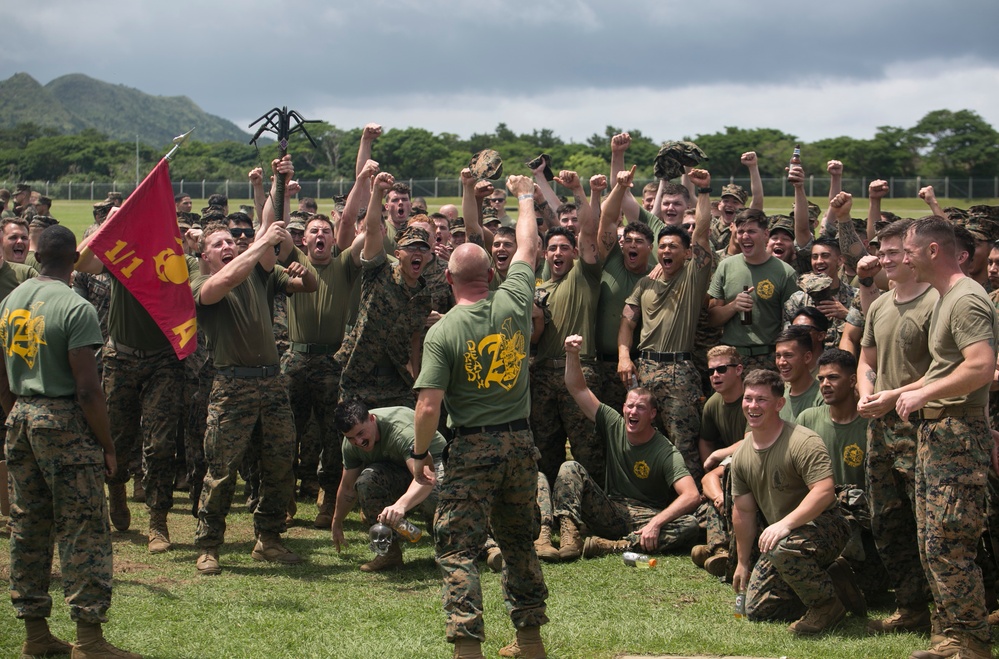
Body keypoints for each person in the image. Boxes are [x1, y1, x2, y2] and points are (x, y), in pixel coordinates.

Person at [410, 174, 548, 659]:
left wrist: (420, 453)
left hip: (472, 449)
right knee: (517, 542)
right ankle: (530, 641)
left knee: (457, 548)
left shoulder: (442, 331)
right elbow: (528, 245)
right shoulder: (515, 300)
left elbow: (428, 406)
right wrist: (526, 196)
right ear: (491, 274)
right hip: (520, 445)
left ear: (448, 279)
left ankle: (468, 649)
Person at [0, 225, 140, 658]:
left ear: (37, 254)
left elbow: (2, 378)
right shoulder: (76, 307)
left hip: (21, 417)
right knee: (84, 529)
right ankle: (89, 640)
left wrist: (13, 417)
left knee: (29, 525)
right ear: (76, 257)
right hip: (63, 422)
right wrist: (109, 445)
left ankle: (35, 635)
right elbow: (87, 389)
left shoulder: (9, 302)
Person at [894, 216, 998, 659]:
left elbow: (979, 366)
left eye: (910, 250)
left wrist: (924, 395)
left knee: (950, 543)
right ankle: (950, 635)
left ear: (932, 250)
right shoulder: (946, 297)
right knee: (931, 542)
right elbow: (942, 370)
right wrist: (896, 393)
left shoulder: (967, 300)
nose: (905, 259)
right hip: (938, 433)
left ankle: (973, 642)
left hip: (958, 434)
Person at [190, 218, 317, 576]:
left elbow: (308, 285)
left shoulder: (261, 274)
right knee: (222, 469)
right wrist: (261, 244)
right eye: (218, 244)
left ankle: (269, 538)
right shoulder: (201, 282)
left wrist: (296, 265)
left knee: (279, 463)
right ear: (204, 256)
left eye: (231, 241)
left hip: (272, 382)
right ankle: (209, 544)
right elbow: (225, 281)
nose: (228, 246)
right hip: (233, 387)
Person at [75, 202, 200, 553]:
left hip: (164, 361)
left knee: (160, 443)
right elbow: (82, 263)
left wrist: (193, 247)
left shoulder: (181, 262)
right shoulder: (123, 257)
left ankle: (157, 520)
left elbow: (206, 275)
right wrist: (110, 225)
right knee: (115, 436)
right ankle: (116, 488)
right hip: (122, 358)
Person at [730, 369, 860, 635]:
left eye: (762, 400)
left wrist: (784, 525)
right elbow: (743, 511)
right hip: (784, 539)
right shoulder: (742, 455)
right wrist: (743, 563)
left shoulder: (803, 441)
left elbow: (824, 492)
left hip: (827, 525)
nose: (753, 406)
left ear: (779, 404)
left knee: (782, 547)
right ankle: (834, 582)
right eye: (748, 398)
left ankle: (826, 606)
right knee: (759, 609)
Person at [855, 218, 936, 635]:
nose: (882, 259)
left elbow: (947, 369)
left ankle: (947, 611)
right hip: (881, 427)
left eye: (890, 253)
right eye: (880, 253)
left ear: (911, 255)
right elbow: (866, 360)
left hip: (924, 428)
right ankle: (910, 607)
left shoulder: (938, 301)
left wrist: (894, 395)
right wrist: (867, 391)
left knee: (932, 524)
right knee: (887, 519)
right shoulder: (882, 303)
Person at [555, 334, 700, 561]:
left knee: (690, 525)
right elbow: (578, 389)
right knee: (569, 467)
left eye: (640, 408)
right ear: (623, 408)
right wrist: (572, 354)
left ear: (652, 414)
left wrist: (656, 523)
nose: (633, 412)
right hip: (610, 509)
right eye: (630, 406)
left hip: (645, 516)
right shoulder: (613, 423)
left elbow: (691, 495)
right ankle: (569, 535)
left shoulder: (665, 451)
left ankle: (618, 545)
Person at [617, 167, 714, 480]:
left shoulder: (693, 277)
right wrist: (623, 355)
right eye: (662, 246)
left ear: (687, 254)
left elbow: (701, 234)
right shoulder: (645, 283)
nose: (666, 251)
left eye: (674, 246)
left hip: (679, 373)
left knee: (683, 444)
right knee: (647, 441)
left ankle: (694, 508)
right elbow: (628, 322)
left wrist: (703, 191)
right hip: (644, 370)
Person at [330, 400, 445, 571]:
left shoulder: (401, 433)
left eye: (361, 433)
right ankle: (389, 555)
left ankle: (451, 548)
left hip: (432, 464)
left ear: (371, 418)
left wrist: (401, 505)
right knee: (366, 482)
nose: (358, 441)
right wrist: (337, 522)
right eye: (351, 437)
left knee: (434, 496)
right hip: (399, 468)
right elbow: (347, 488)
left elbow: (426, 478)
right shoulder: (351, 444)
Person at [707, 209, 799, 373]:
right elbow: (712, 319)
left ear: (765, 234)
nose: (745, 237)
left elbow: (792, 325)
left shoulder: (785, 272)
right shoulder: (726, 266)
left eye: (751, 231)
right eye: (741, 231)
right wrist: (734, 306)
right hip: (731, 358)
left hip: (768, 357)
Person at [774, 327, 822, 421]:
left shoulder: (822, 398)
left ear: (807, 357)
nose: (781, 362)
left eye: (788, 355)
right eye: (778, 356)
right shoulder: (779, 399)